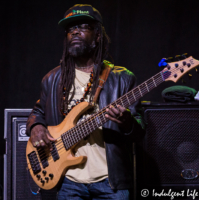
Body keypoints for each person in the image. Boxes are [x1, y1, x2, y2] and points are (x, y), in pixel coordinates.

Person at [26, 4, 144, 200]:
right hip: (68, 182)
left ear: (97, 35)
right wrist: (36, 127)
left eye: (82, 27)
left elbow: (140, 130)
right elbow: (38, 111)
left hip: (110, 183)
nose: (75, 32)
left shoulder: (122, 78)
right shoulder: (52, 79)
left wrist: (126, 121)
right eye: (70, 29)